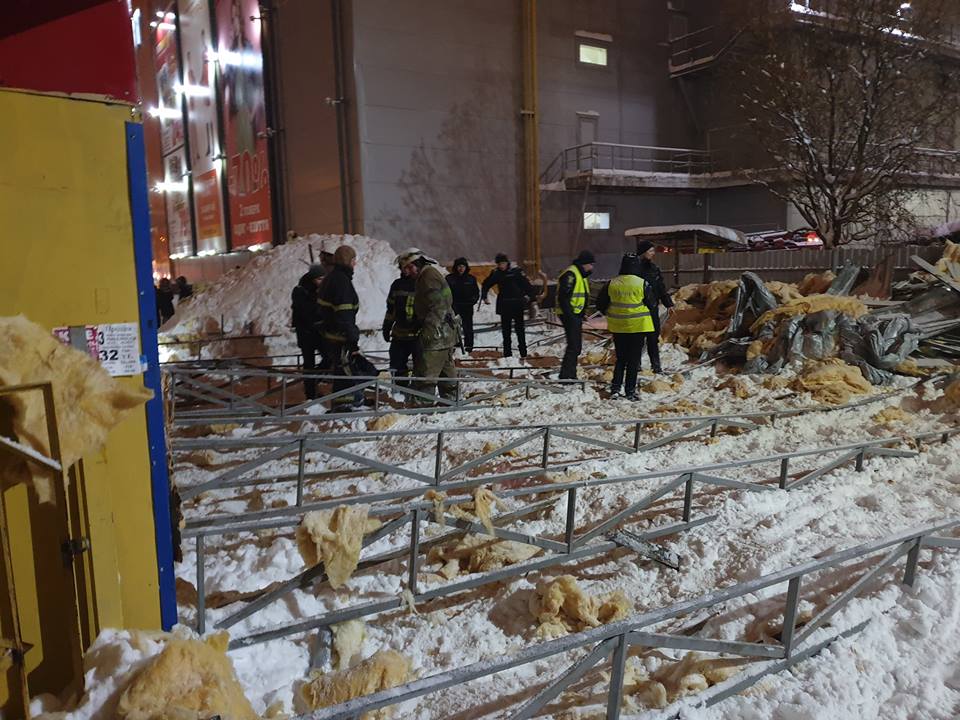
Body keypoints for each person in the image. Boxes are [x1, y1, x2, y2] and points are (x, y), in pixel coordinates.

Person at [597, 253, 655, 400]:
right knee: (633, 361)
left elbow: (600, 304)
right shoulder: (642, 283)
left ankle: (615, 388)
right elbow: (652, 304)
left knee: (621, 359)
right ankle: (630, 391)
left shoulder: (611, 283)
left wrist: (611, 312)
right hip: (638, 327)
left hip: (619, 327)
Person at [408, 250, 460, 403]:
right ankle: (451, 401)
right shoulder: (427, 274)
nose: (407, 272)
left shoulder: (428, 276)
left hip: (437, 334)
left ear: (417, 264)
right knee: (445, 370)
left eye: (409, 267)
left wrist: (428, 331)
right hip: (444, 333)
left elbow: (438, 306)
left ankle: (424, 405)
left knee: (427, 372)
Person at [318, 245, 363, 411]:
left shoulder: (331, 278)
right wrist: (353, 340)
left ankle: (345, 402)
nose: (355, 264)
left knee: (341, 370)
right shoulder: (342, 282)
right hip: (341, 337)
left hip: (331, 335)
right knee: (346, 372)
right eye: (354, 261)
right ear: (350, 262)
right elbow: (344, 315)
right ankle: (345, 404)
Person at [481, 253, 535, 358]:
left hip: (517, 304)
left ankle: (523, 352)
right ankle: (507, 354)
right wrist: (484, 296)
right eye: (500, 264)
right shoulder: (496, 274)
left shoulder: (516, 272)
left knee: (520, 330)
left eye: (503, 263)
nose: (502, 266)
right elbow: (486, 284)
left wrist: (531, 298)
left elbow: (527, 285)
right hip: (504, 305)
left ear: (507, 263)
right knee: (506, 331)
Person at [636, 240, 675, 374]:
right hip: (639, 309)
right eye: (650, 251)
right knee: (639, 339)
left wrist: (668, 303)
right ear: (643, 253)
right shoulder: (634, 269)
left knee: (653, 338)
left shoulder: (654, 269)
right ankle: (636, 364)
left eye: (653, 251)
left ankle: (656, 366)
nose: (653, 254)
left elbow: (661, 288)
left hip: (652, 308)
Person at [556, 250, 595, 380]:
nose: (592, 268)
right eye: (590, 264)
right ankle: (567, 376)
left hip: (575, 314)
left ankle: (569, 374)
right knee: (574, 346)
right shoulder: (571, 274)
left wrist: (582, 313)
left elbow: (581, 297)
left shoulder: (580, 275)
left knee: (575, 346)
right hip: (569, 314)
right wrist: (571, 315)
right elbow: (564, 298)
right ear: (584, 264)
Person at [383, 250, 421, 380]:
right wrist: (386, 326)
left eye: (408, 267)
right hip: (399, 335)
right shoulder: (397, 285)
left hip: (418, 335)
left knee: (421, 368)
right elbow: (390, 309)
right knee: (396, 365)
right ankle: (400, 393)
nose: (405, 270)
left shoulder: (423, 284)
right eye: (402, 267)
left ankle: (419, 395)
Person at [291, 264, 325, 399]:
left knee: (328, 358)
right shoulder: (300, 291)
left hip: (318, 332)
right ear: (312, 279)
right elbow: (305, 312)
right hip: (306, 334)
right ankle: (310, 392)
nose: (322, 282)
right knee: (309, 363)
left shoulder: (320, 290)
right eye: (320, 279)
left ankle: (314, 380)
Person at [446, 257, 480, 352]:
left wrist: (472, 301)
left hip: (467, 307)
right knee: (454, 327)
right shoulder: (449, 279)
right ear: (456, 267)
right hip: (454, 306)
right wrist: (449, 303)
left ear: (466, 267)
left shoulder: (471, 279)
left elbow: (476, 293)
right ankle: (455, 346)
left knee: (468, 327)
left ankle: (469, 347)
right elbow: (445, 293)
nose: (461, 268)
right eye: (459, 266)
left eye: (463, 266)